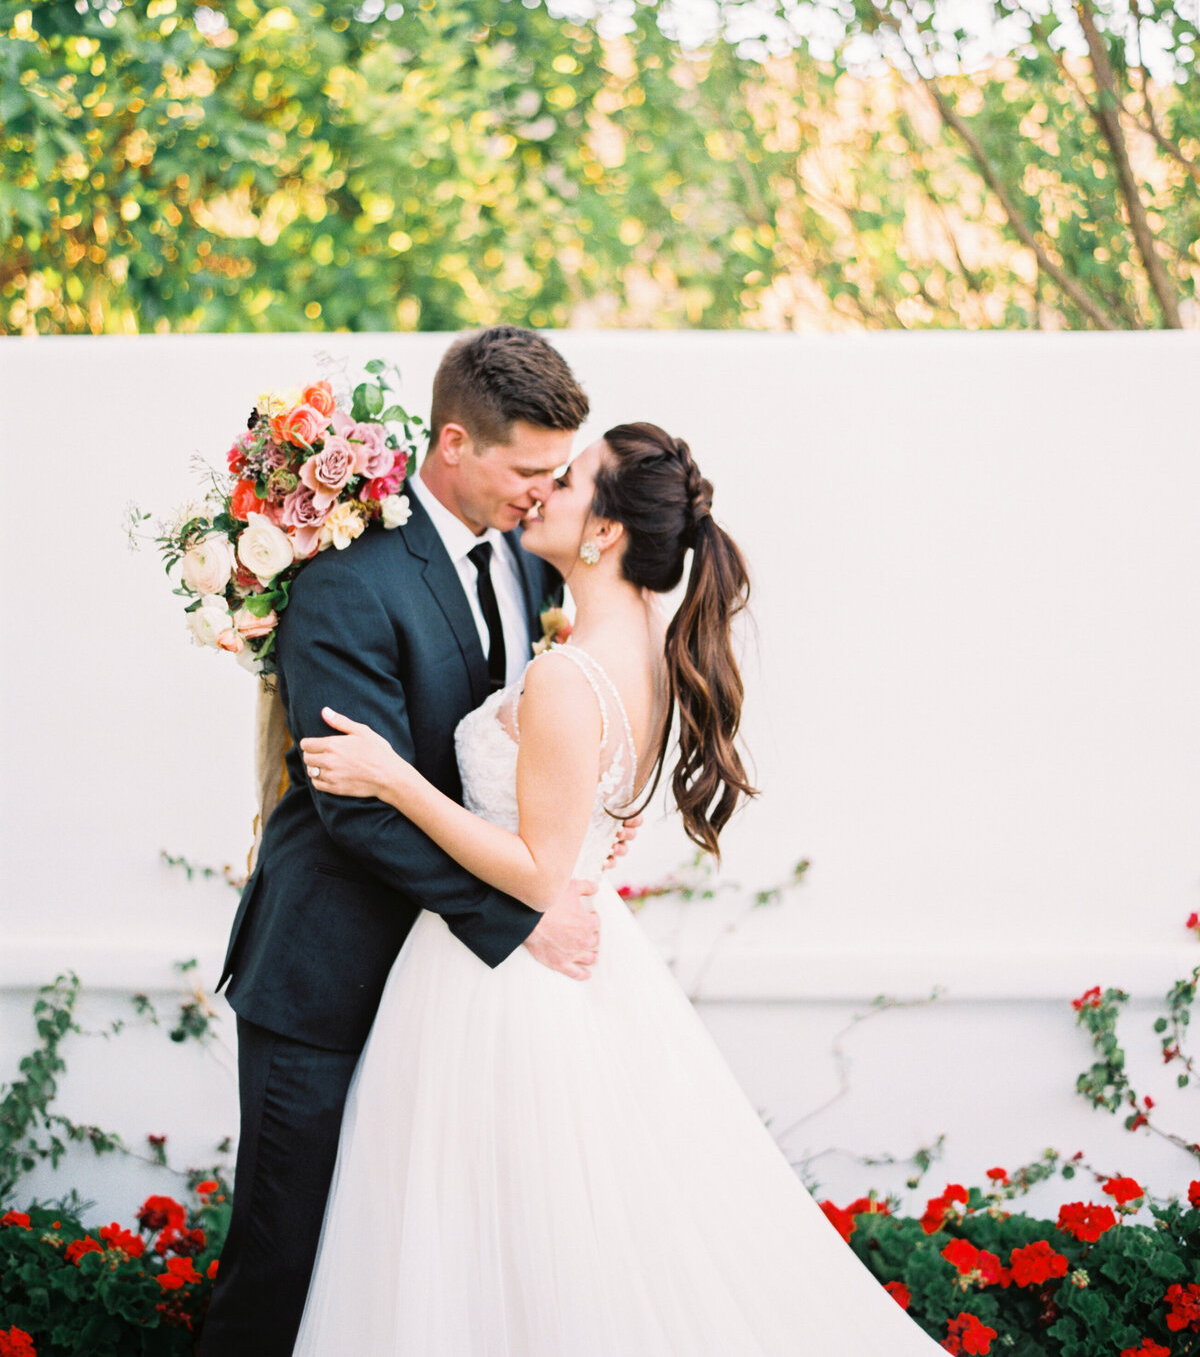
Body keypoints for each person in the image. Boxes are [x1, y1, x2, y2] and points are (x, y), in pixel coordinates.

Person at [293, 421, 942, 1355]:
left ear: (602, 533)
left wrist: (395, 777)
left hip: (501, 987)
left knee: (484, 1244)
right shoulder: (641, 648)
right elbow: (584, 826)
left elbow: (534, 872)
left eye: (567, 482)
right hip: (578, 967)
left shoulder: (568, 675)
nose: (542, 492)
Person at [199, 327, 621, 1357]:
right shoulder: (349, 576)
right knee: (284, 1259)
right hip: (330, 977)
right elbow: (358, 804)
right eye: (529, 469)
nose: (545, 490)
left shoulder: (527, 570)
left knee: (409, 1275)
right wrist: (521, 910)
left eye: (559, 471)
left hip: (455, 1010)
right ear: (454, 443)